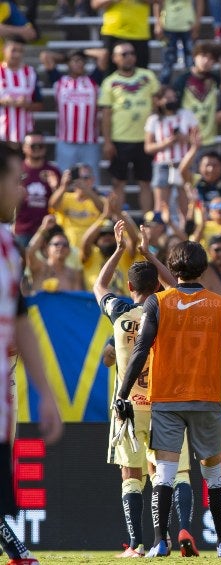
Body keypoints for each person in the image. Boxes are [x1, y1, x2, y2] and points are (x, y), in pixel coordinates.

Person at [113, 241, 221, 558]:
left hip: (166, 401)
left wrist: (122, 395)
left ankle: (160, 542)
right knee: (213, 476)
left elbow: (141, 350)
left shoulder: (158, 303)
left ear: (172, 270)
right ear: (204, 269)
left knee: (163, 473)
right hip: (206, 400)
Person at [94, 220, 195, 558]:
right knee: (170, 472)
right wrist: (147, 253)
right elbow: (176, 286)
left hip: (127, 406)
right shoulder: (169, 308)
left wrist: (121, 250)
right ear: (157, 284)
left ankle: (138, 544)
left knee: (131, 473)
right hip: (164, 403)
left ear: (129, 285)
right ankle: (176, 531)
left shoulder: (120, 312)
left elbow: (98, 284)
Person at [0, 141, 63, 565]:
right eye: (15, 180)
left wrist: (44, 391)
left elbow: (20, 319)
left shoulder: (8, 245)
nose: (23, 193)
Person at [100, 42, 160, 213]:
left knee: (145, 182)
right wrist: (107, 141)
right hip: (120, 139)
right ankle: (119, 222)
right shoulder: (110, 82)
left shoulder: (147, 76)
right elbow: (106, 114)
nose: (129, 57)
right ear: (115, 58)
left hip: (145, 139)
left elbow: (156, 104)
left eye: (131, 53)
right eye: (123, 54)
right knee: (118, 182)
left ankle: (148, 222)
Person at [145, 86, 198, 215]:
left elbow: (197, 140)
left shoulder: (187, 115)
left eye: (173, 97)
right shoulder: (153, 120)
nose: (172, 100)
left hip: (184, 164)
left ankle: (185, 232)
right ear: (159, 101)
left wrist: (184, 138)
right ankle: (160, 232)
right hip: (162, 164)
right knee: (161, 206)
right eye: (168, 98)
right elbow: (148, 147)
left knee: (186, 206)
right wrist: (166, 143)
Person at [51, 50, 102, 176]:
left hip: (89, 141)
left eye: (81, 61)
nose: (79, 64)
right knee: (65, 179)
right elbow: (46, 57)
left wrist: (82, 52)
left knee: (91, 180)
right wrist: (68, 55)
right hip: (65, 141)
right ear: (68, 63)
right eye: (75, 61)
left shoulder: (93, 80)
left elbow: (103, 55)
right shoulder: (59, 80)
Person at [0, 39, 42, 143]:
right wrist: (2, 101)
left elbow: (39, 104)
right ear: (4, 50)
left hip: (25, 135)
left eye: (20, 51)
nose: (17, 55)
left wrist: (26, 105)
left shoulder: (31, 73)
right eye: (14, 50)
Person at [93, 0, 152, 70]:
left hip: (139, 34)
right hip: (113, 32)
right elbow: (95, 4)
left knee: (141, 73)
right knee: (110, 71)